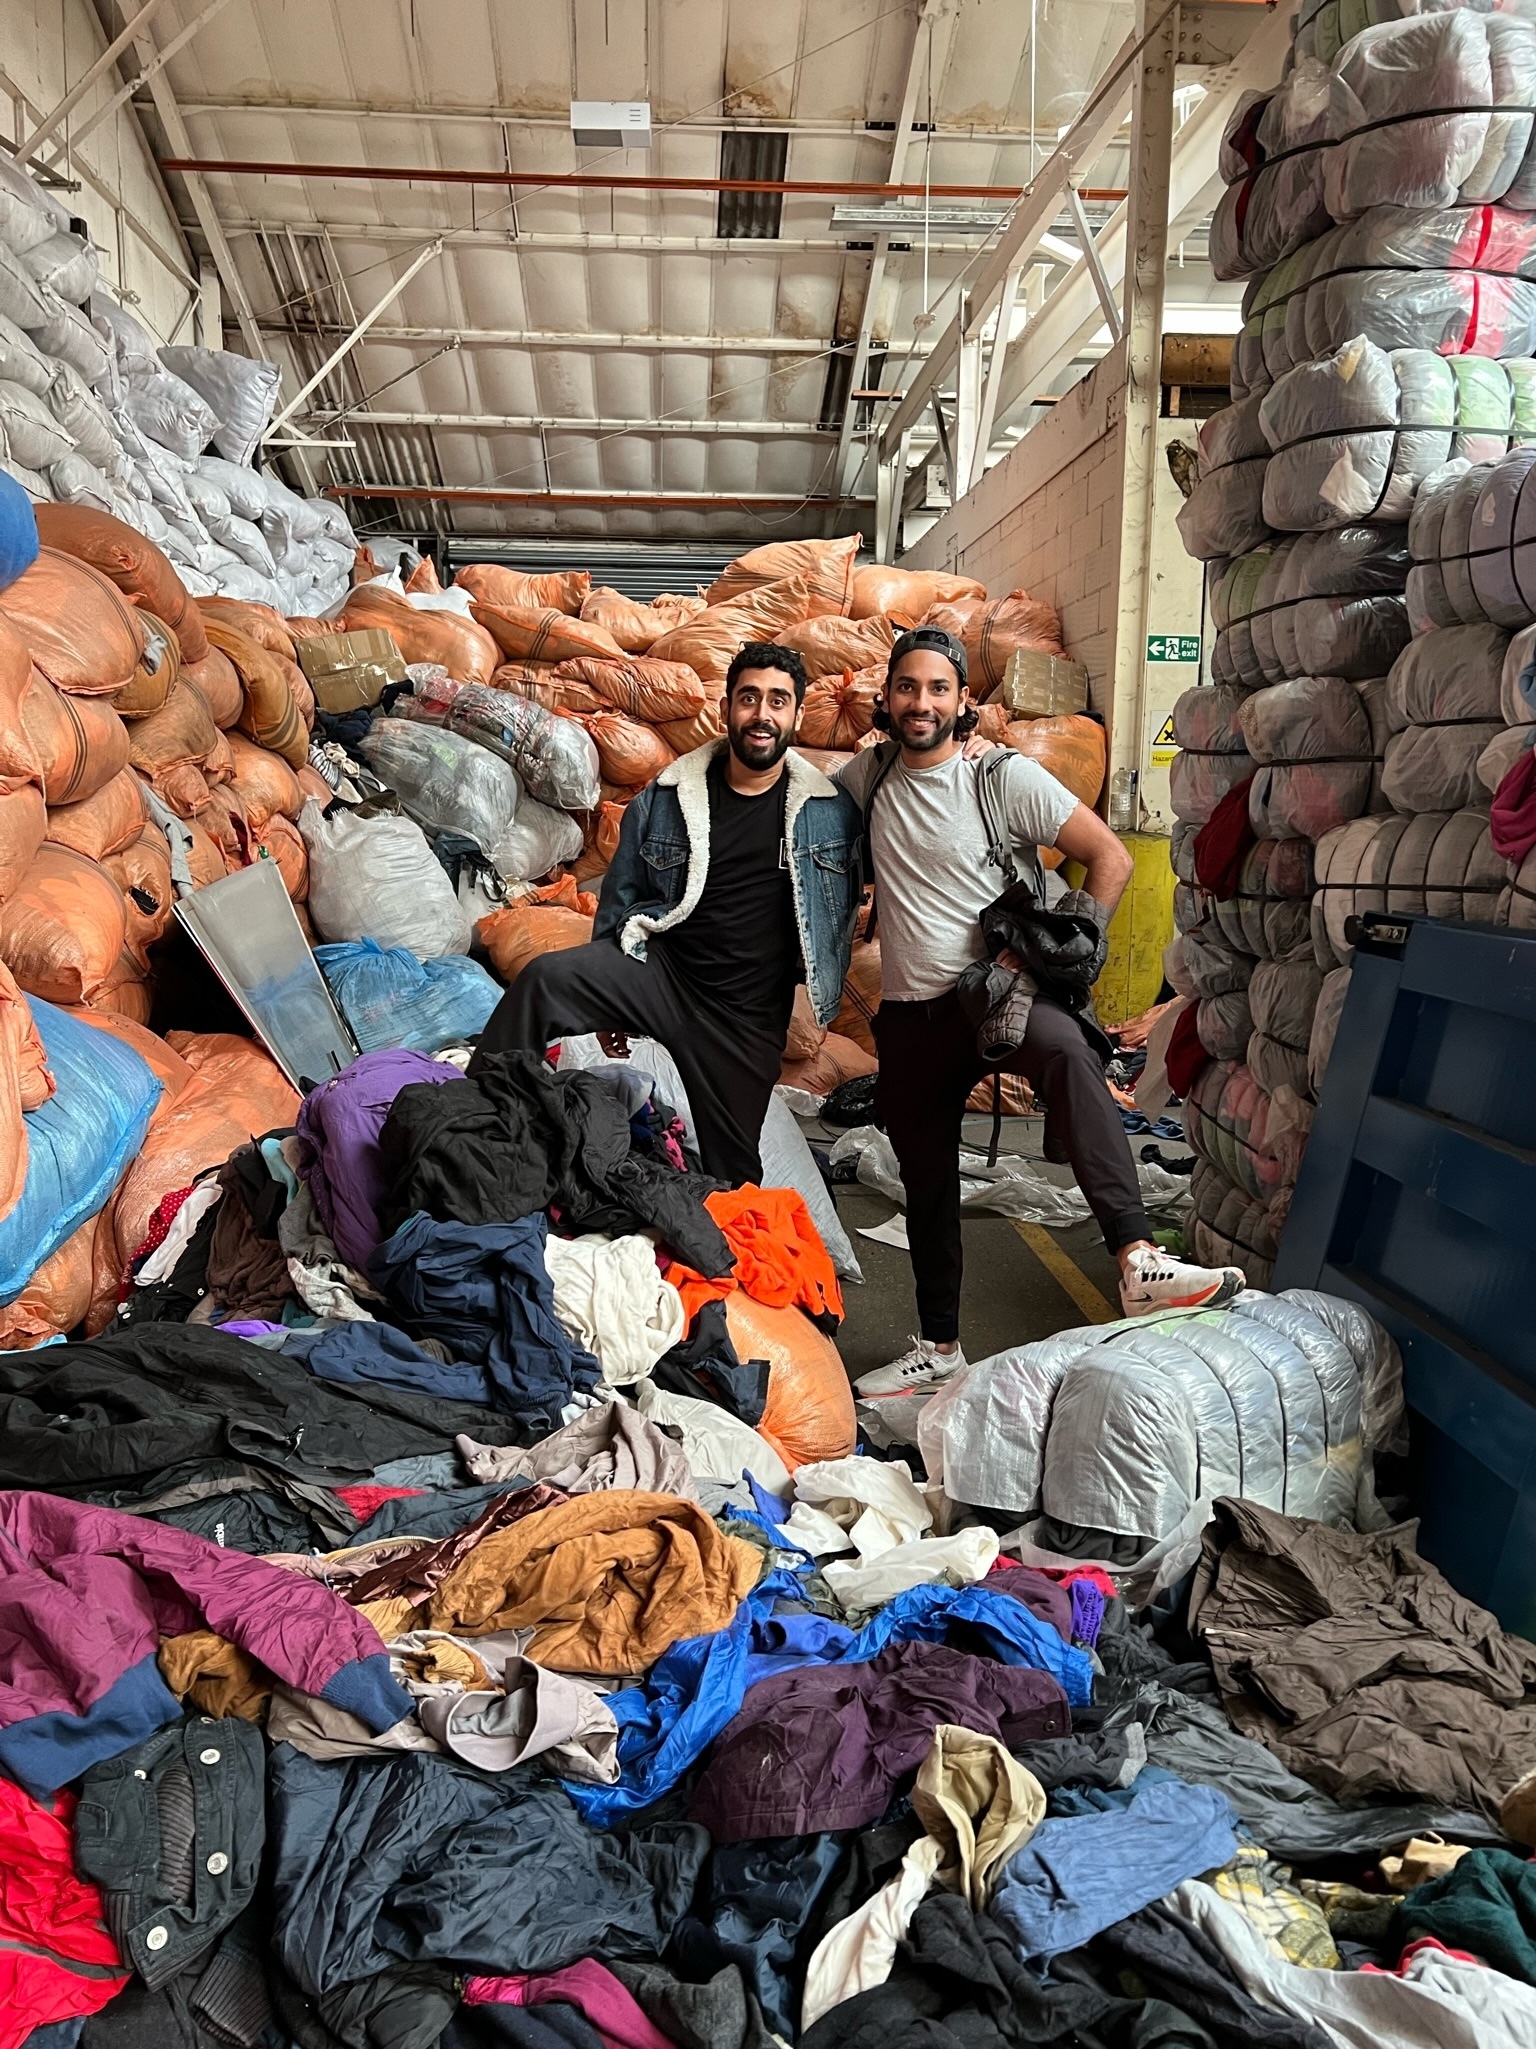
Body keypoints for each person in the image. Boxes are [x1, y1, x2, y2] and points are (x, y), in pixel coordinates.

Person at [834, 625, 1244, 1397]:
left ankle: (1134, 1259)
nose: (921, 701)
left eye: (937, 688)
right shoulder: (871, 776)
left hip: (998, 997)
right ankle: (940, 1345)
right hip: (914, 1019)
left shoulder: (1001, 780)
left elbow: (1112, 855)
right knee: (926, 1184)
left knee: (1068, 1053)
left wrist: (1064, 944)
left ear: (962, 703)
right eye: (907, 687)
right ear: (886, 699)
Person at [471, 641, 863, 1183]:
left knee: (736, 1174)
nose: (762, 714)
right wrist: (607, 1001)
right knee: (543, 981)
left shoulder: (828, 812)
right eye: (749, 698)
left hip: (745, 1014)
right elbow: (624, 891)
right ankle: (477, 1127)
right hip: (661, 974)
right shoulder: (669, 794)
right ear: (727, 707)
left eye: (778, 701)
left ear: (796, 715)